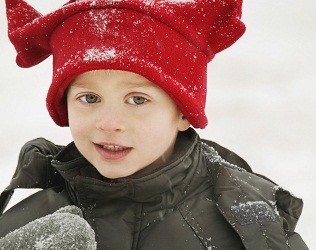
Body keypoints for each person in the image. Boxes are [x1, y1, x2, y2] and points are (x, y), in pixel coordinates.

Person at [0, 0, 309, 249]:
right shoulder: (32, 226)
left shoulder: (247, 226)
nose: (109, 123)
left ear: (184, 112)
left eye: (137, 100)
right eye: (90, 99)